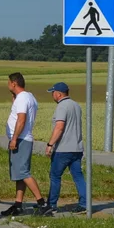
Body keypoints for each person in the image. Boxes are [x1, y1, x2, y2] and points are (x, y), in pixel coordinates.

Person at [2, 72, 46, 216]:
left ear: (14, 83)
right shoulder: (29, 96)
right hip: (23, 138)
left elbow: (21, 119)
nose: (7, 85)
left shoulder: (22, 98)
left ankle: (42, 204)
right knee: (19, 174)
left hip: (21, 139)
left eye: (9, 82)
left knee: (24, 173)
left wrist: (14, 138)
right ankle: (18, 204)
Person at [42, 82, 87, 215]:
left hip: (63, 149)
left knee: (55, 176)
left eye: (53, 92)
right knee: (78, 176)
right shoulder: (76, 105)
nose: (52, 95)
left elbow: (59, 127)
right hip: (77, 148)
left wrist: (50, 144)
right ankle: (84, 204)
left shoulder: (62, 106)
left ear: (59, 93)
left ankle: (52, 205)